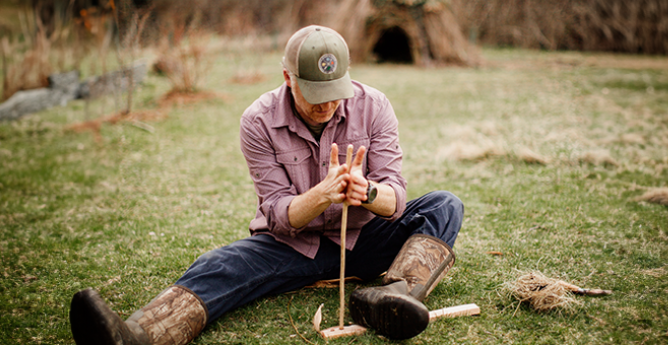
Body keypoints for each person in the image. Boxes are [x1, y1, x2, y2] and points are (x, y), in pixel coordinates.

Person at [69, 25, 464, 344]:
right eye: (315, 96)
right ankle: (137, 335)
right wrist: (322, 194)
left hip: (366, 236)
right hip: (295, 245)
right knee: (220, 265)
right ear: (288, 77)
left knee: (443, 205)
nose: (327, 106)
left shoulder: (374, 105)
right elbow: (277, 215)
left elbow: (396, 197)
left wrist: (369, 193)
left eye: (334, 95)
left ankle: (394, 296)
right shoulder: (257, 120)